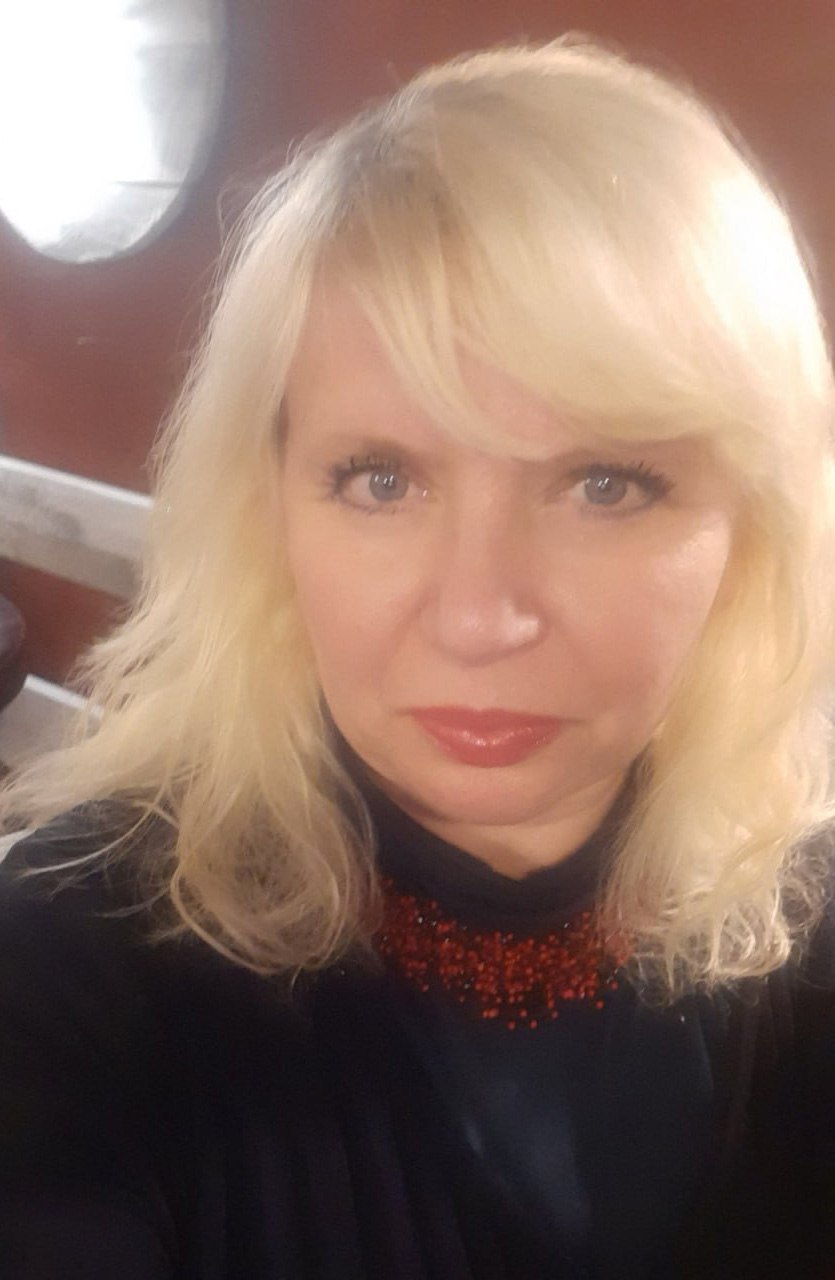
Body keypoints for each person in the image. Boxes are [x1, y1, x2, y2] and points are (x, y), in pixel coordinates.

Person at [1, 35, 834, 1279]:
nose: (478, 617)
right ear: (271, 510)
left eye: (605, 483)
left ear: (749, 530)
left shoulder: (802, 918)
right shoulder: (69, 966)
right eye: (381, 479)